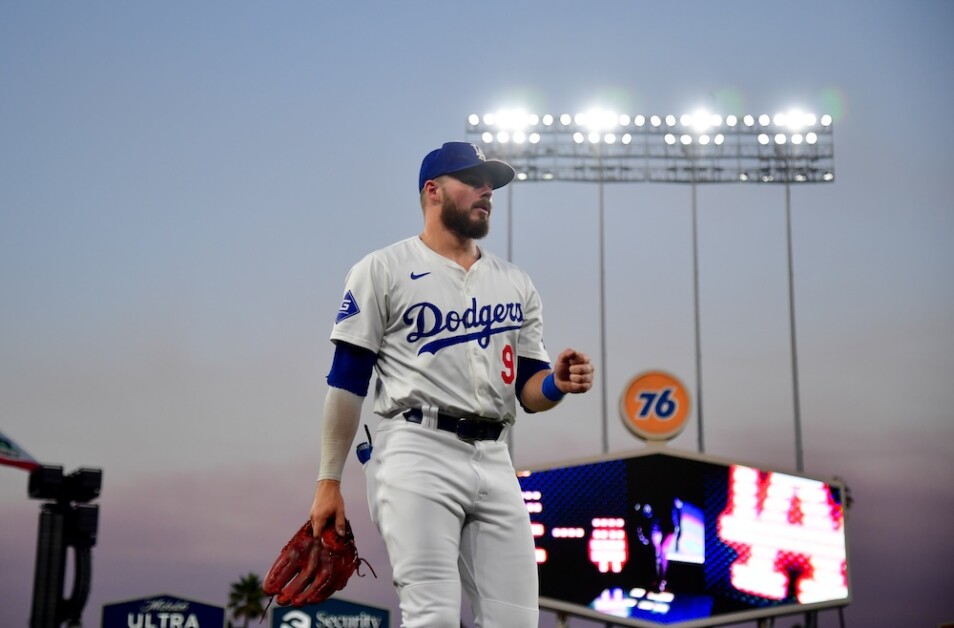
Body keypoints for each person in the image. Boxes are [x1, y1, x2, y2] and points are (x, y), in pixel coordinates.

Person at [307, 141, 594, 627]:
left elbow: (527, 389)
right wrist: (328, 481)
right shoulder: (382, 269)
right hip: (415, 446)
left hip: (495, 457)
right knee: (433, 617)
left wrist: (556, 385)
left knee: (516, 622)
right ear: (433, 190)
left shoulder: (515, 282)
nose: (487, 191)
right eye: (473, 180)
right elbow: (346, 381)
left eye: (492, 185)